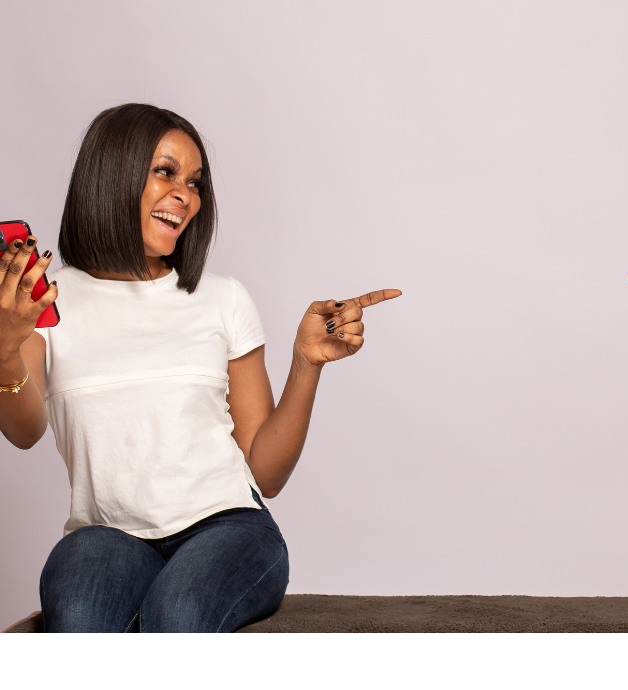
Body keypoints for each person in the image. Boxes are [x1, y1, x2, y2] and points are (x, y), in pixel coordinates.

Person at [0, 103, 401, 632]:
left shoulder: (223, 299)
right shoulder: (48, 301)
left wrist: (306, 364)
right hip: (106, 536)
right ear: (112, 173)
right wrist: (6, 345)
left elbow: (265, 473)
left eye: (195, 183)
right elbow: (25, 431)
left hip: (227, 527)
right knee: (77, 623)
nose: (185, 196)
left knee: (178, 616)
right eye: (165, 172)